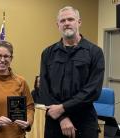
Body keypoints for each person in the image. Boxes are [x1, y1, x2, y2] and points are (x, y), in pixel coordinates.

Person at [38, 6, 105, 138]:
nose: (66, 23)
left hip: (84, 121)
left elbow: (93, 90)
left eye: (70, 19)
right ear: (58, 25)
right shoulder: (48, 53)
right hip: (55, 121)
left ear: (79, 22)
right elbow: (44, 89)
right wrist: (62, 117)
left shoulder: (95, 52)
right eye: (62, 21)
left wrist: (63, 108)